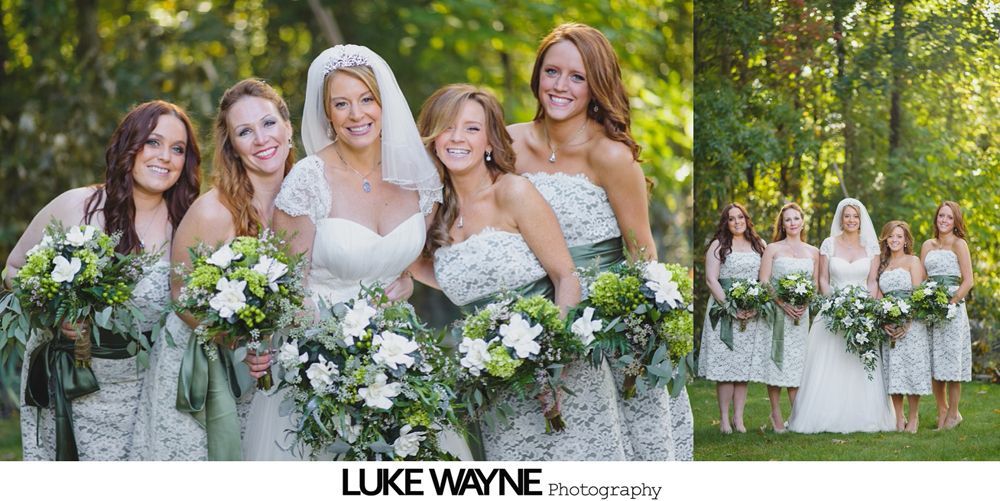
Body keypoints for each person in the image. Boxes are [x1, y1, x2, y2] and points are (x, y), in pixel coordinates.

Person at [242, 45, 446, 460]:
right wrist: (337, 353)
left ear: (384, 103)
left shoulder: (421, 178)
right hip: (319, 359)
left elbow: (401, 266)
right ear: (328, 115)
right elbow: (287, 287)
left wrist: (404, 284)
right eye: (342, 103)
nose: (357, 114)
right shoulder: (308, 180)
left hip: (396, 349)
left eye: (367, 99)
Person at [418, 83, 632, 461]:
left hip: (561, 377)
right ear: (433, 138)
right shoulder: (436, 214)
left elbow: (566, 276)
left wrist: (556, 362)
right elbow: (446, 275)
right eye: (448, 127)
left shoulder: (513, 192)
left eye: (471, 128)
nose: (457, 138)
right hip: (497, 385)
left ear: (488, 142)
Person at [508, 22, 684, 460]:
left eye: (577, 77)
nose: (560, 86)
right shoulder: (507, 143)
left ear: (597, 86)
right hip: (524, 319)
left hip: (599, 329)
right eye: (552, 72)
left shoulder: (610, 155)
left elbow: (643, 252)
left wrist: (644, 336)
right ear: (537, 76)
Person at [6, 100, 201, 460]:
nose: (166, 157)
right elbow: (15, 269)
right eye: (153, 142)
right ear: (129, 145)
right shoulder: (78, 206)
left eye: (178, 149)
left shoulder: (188, 224)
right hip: (75, 386)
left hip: (148, 390)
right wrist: (54, 312)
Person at [129, 79, 294, 460]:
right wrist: (237, 340)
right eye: (244, 132)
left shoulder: (309, 198)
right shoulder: (212, 210)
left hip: (271, 369)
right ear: (232, 146)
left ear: (287, 128)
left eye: (268, 124)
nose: (261, 139)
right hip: (198, 373)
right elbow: (180, 296)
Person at [787, 198, 895, 433]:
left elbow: (872, 281)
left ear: (861, 219)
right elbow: (823, 279)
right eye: (847, 216)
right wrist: (834, 305)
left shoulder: (870, 247)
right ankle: (822, 415)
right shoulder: (829, 244)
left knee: (857, 365)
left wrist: (865, 309)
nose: (851, 220)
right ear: (841, 218)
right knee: (827, 365)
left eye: (855, 216)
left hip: (862, 312)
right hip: (832, 312)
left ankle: (863, 415)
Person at [699, 203, 767, 434]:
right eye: (731, 218)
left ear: (747, 219)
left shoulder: (760, 246)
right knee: (726, 366)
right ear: (725, 223)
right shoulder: (719, 246)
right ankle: (724, 420)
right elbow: (711, 280)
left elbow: (765, 280)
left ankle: (739, 419)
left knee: (742, 368)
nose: (737, 222)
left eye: (740, 217)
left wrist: (755, 307)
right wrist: (730, 307)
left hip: (751, 313)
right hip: (723, 312)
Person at [756, 203, 818, 433]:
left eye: (796, 218)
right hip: (777, 313)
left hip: (801, 316)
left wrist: (804, 303)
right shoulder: (772, 249)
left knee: (797, 363)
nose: (792, 223)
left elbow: (814, 283)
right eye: (787, 220)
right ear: (782, 225)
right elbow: (764, 280)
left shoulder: (813, 251)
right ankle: (775, 413)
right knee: (776, 360)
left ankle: (797, 414)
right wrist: (782, 303)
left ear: (802, 221)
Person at [920, 201, 973, 430]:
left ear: (955, 221)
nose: (944, 220)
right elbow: (922, 279)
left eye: (949, 217)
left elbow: (969, 280)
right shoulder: (927, 245)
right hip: (931, 309)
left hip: (952, 308)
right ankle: (941, 409)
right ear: (936, 218)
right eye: (941, 215)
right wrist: (926, 303)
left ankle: (954, 413)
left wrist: (950, 303)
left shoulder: (959, 244)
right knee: (934, 363)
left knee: (952, 364)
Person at [876, 220, 930, 433]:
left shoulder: (913, 261)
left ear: (906, 240)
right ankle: (899, 418)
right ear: (886, 240)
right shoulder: (882, 264)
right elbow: (880, 296)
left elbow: (917, 295)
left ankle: (914, 417)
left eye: (899, 236)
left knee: (912, 371)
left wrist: (907, 321)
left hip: (912, 325)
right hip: (889, 325)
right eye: (891, 236)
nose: (895, 240)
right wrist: (885, 321)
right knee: (894, 372)